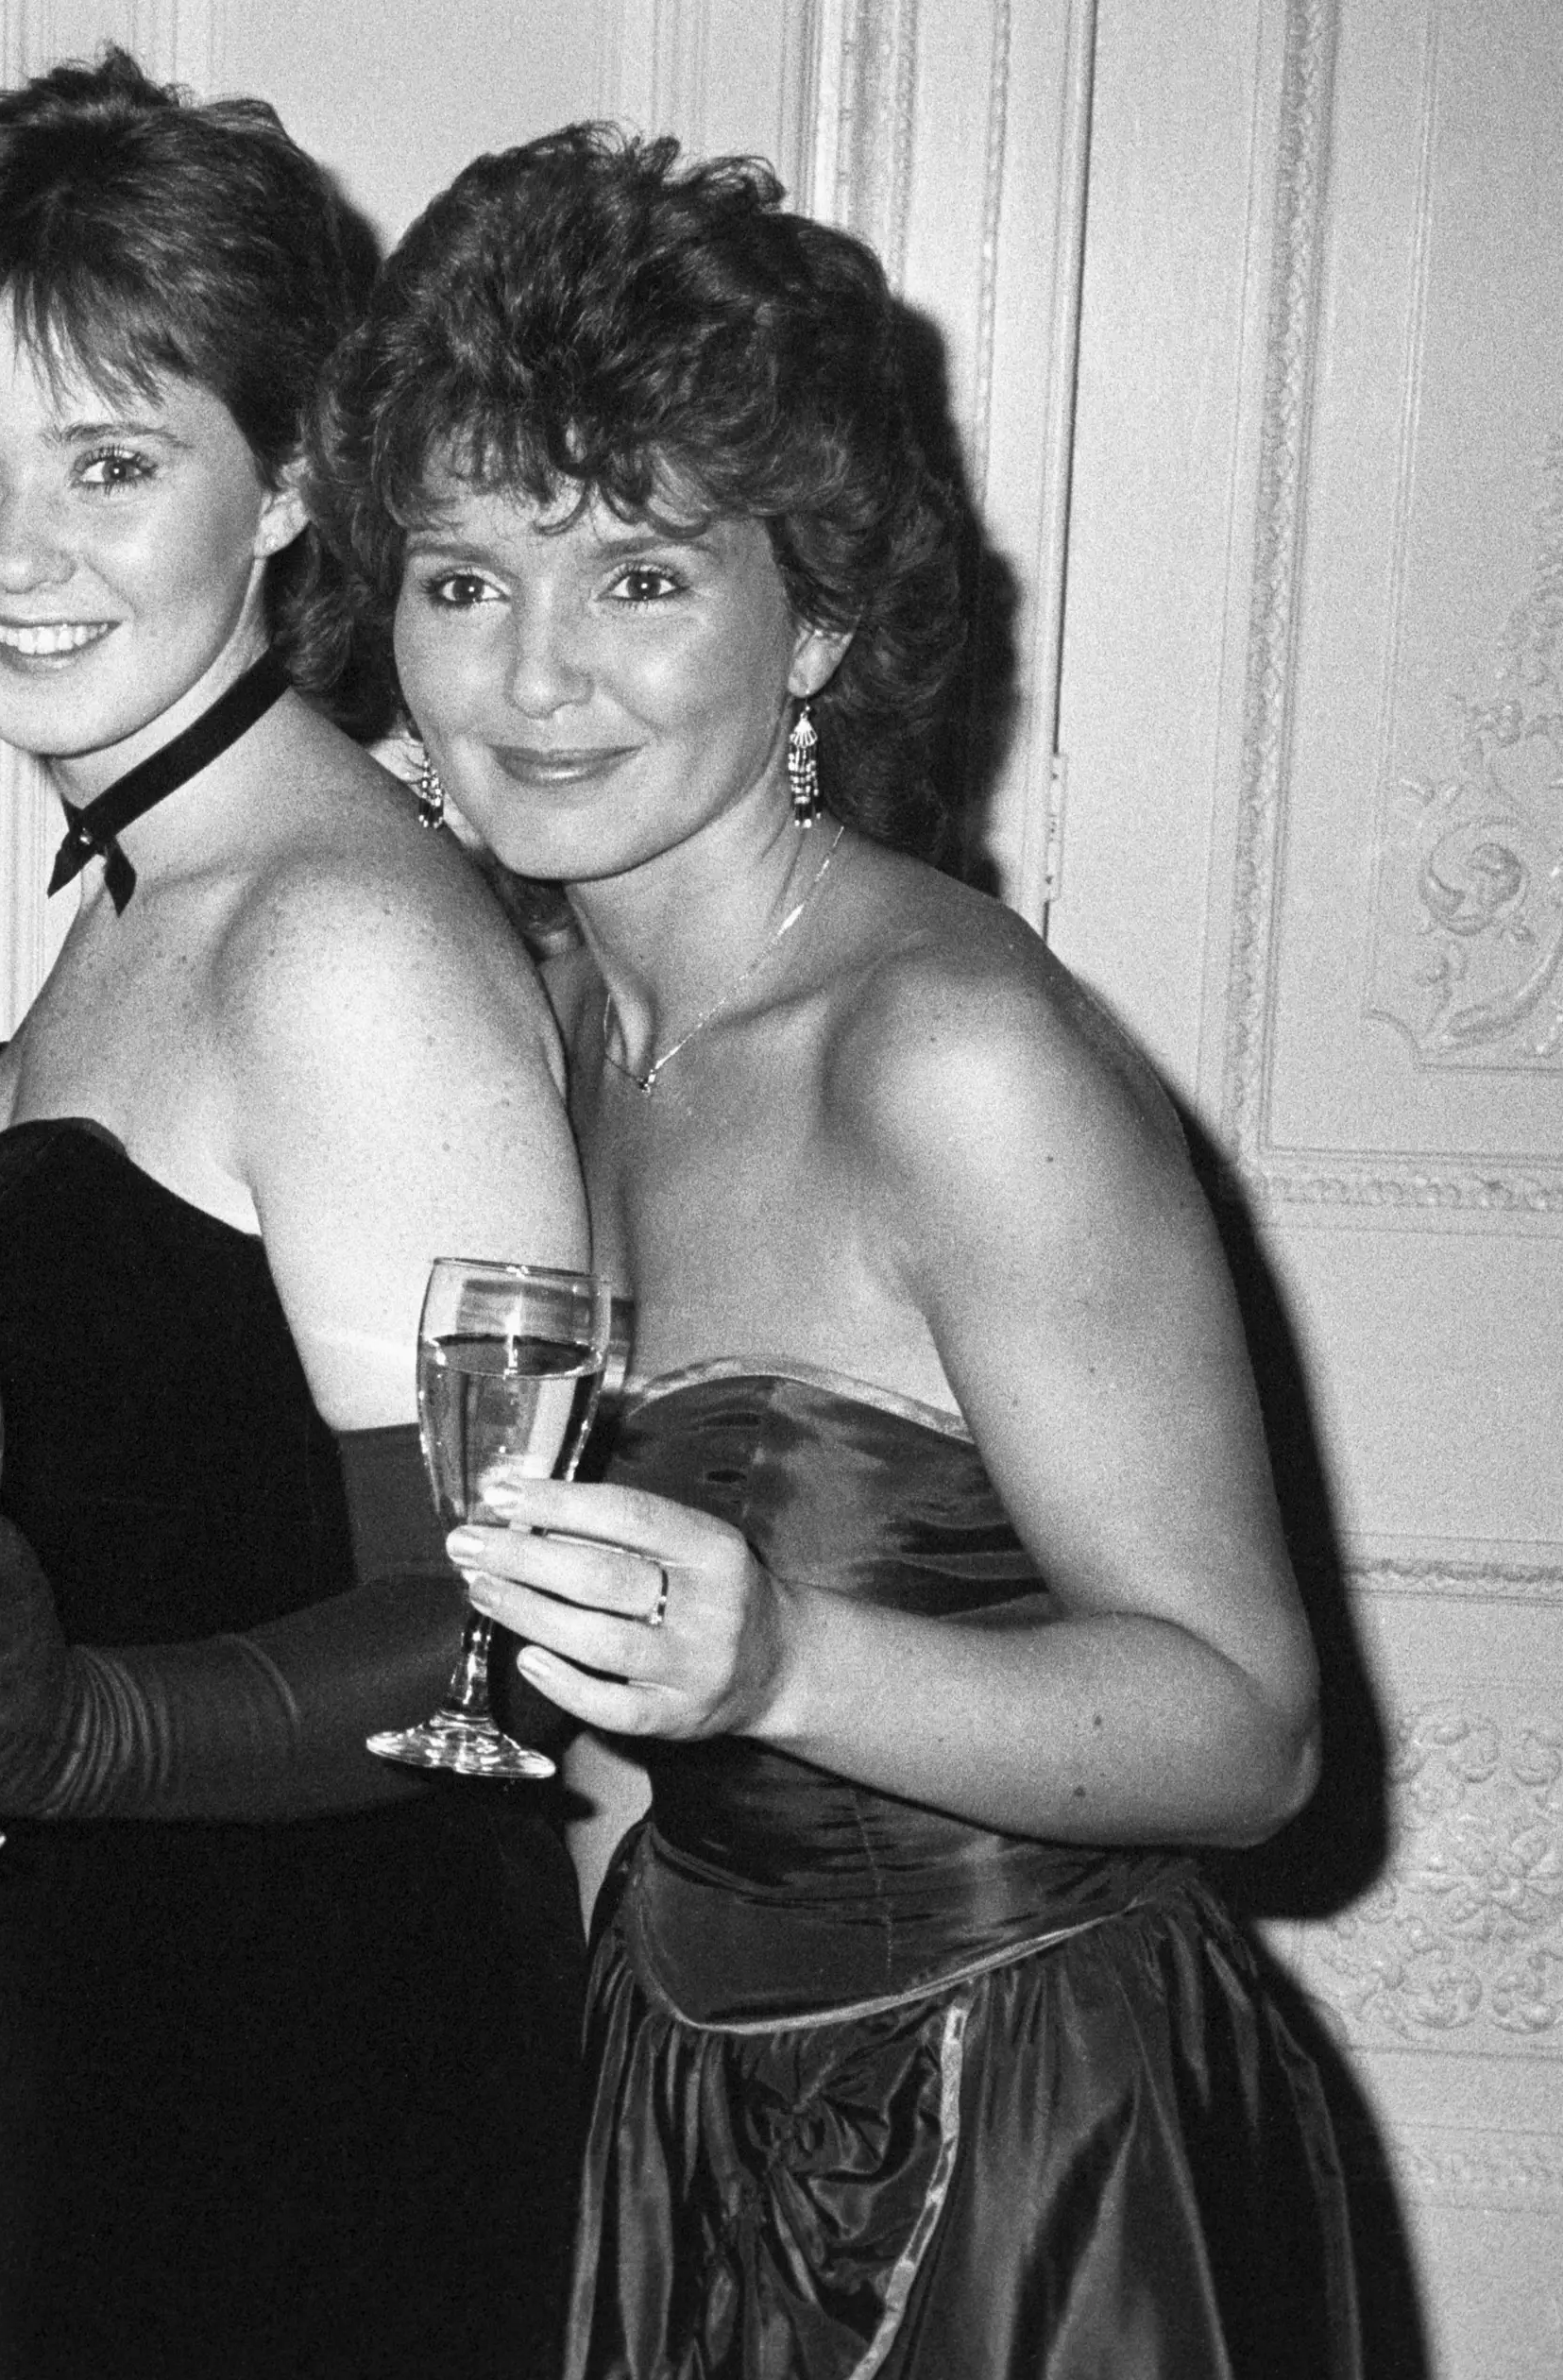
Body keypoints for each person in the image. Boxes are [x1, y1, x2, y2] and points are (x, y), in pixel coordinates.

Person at [321, 123, 1362, 2376]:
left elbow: (1251, 1726)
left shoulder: (951, 1060)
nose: (534, 672)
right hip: (682, 2095)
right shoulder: (539, 1023)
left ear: (825, 620)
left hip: (1035, 2147)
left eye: (645, 576)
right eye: (466, 577)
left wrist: (786, 1660)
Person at [0, 50, 591, 2378]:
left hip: (324, 2090)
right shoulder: (150, 889)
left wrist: (75, 1734)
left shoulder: (334, 931)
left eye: (113, 462)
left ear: (289, 487)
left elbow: (486, 1633)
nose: (14, 554)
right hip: (137, 2033)